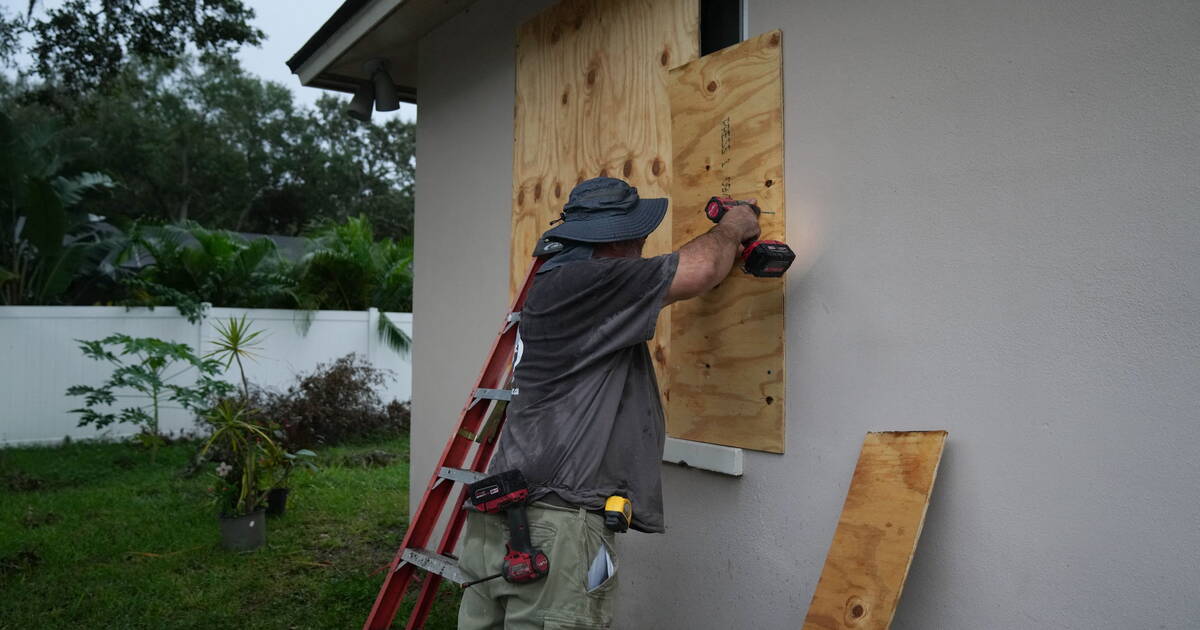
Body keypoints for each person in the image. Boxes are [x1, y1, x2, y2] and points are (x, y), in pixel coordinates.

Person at [457, 177, 761, 629]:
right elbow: (699, 271)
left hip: (504, 517)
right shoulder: (589, 282)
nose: (642, 245)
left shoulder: (557, 279)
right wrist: (733, 227)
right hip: (552, 528)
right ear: (616, 241)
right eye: (636, 236)